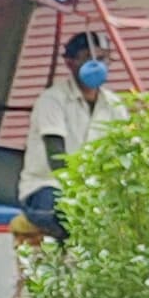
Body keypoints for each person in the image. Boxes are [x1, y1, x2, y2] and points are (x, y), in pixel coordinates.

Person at [19, 29, 116, 241]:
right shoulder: (53, 100)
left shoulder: (115, 105)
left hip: (94, 192)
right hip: (48, 187)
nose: (97, 66)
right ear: (70, 63)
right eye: (88, 59)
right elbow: (56, 157)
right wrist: (80, 193)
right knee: (66, 214)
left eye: (102, 59)